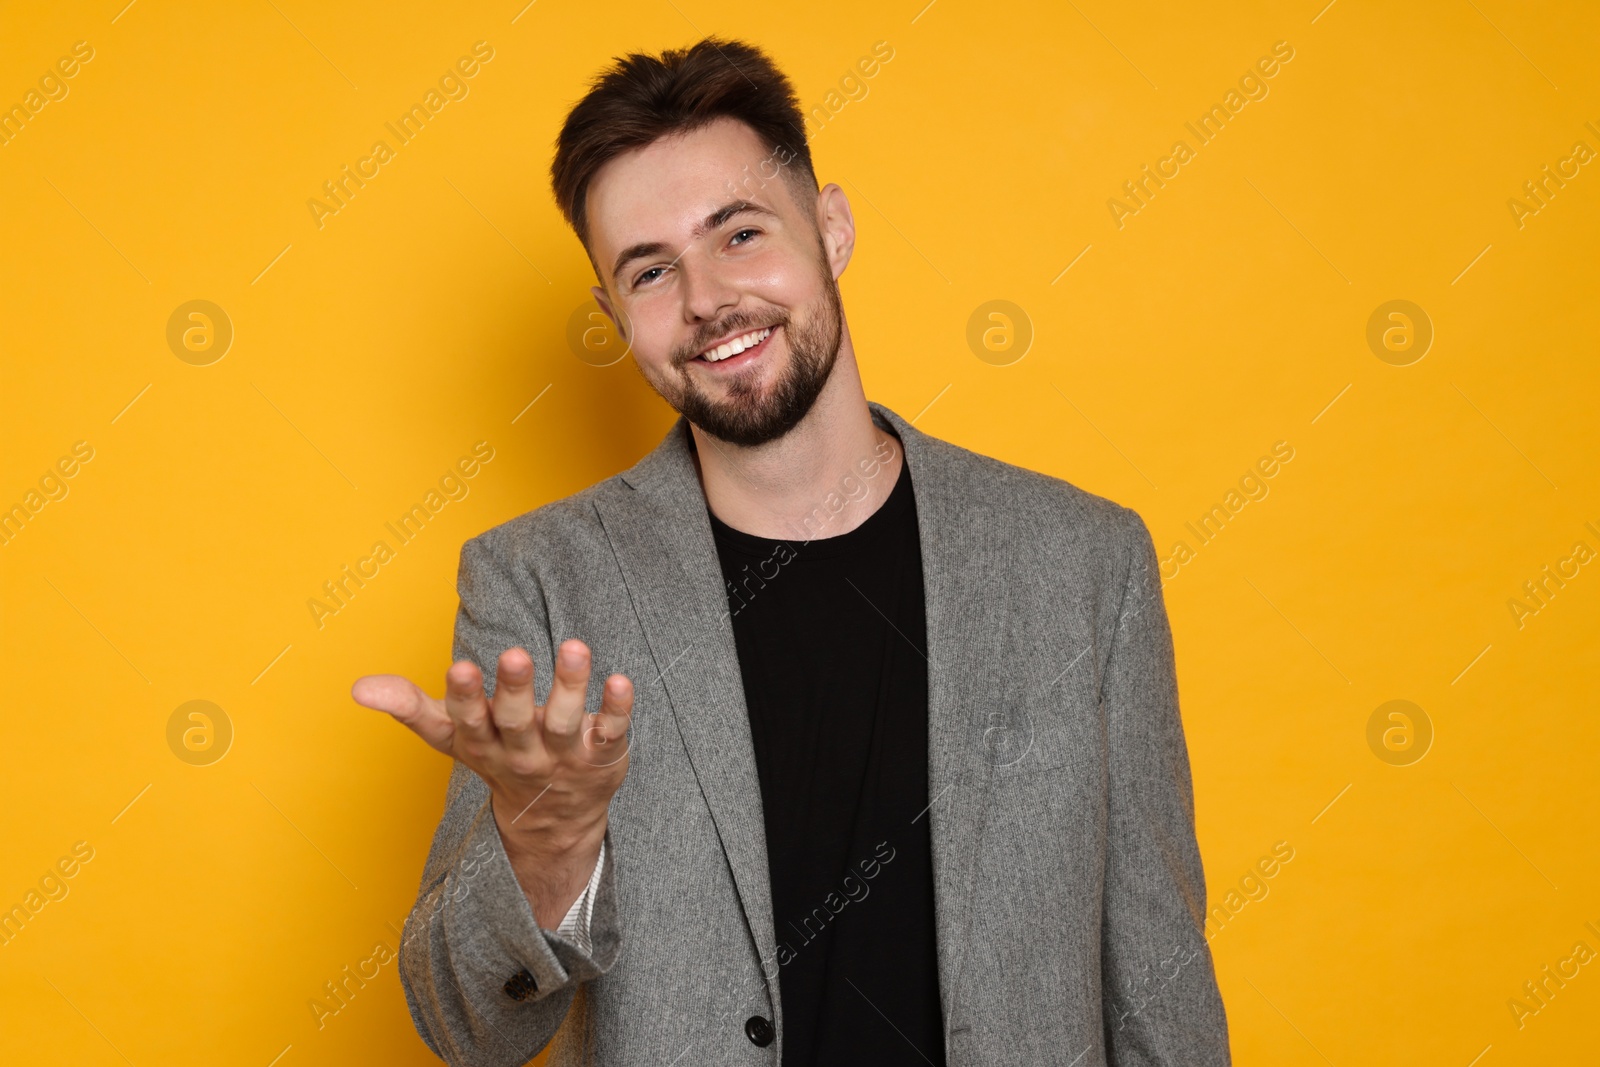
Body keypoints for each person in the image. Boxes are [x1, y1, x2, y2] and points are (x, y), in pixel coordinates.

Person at [352, 36, 1229, 1067]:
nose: (707, 299)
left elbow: (1159, 985)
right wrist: (547, 849)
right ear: (614, 316)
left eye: (739, 232)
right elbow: (469, 1028)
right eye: (650, 270)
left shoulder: (1083, 563)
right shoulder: (539, 583)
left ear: (831, 226)